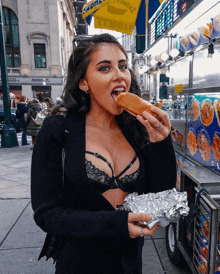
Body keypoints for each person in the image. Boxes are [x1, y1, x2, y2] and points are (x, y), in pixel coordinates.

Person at [31, 34, 176, 274]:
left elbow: (162, 196)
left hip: (129, 262)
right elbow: (47, 214)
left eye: (123, 66)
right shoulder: (58, 129)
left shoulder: (137, 128)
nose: (119, 75)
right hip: (79, 264)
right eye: (104, 68)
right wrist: (118, 224)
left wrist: (162, 144)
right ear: (83, 82)